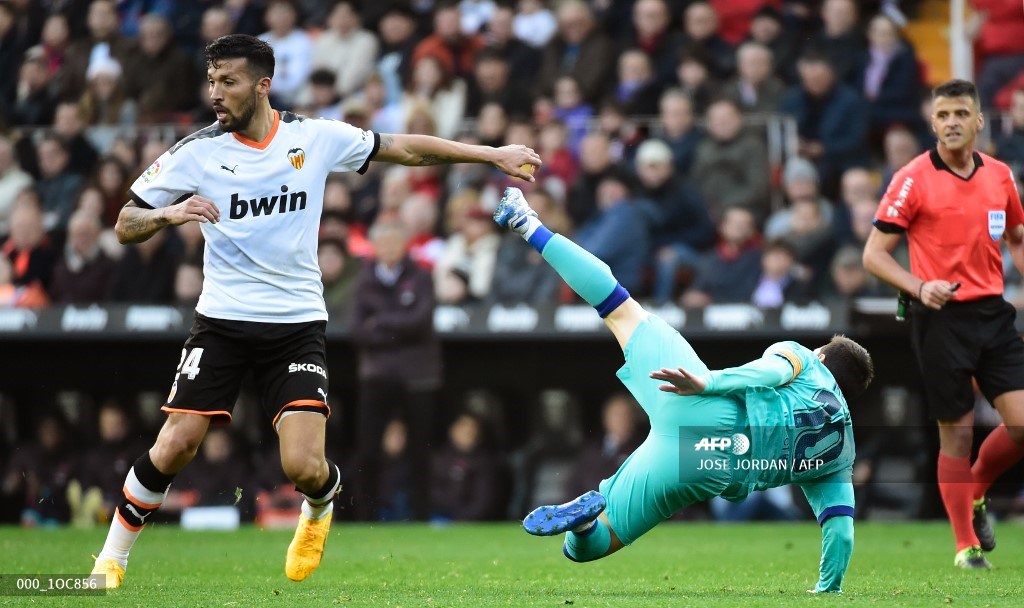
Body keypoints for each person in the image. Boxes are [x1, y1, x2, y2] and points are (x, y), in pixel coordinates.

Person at [89, 33, 539, 588]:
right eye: (211, 81)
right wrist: (171, 214)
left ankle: (320, 505)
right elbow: (125, 222)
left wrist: (490, 154)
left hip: (295, 325)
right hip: (222, 322)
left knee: (302, 467)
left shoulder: (315, 138)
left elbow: (405, 147)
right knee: (177, 442)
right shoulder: (196, 151)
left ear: (262, 85)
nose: (215, 93)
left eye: (227, 81)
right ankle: (110, 559)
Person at [494, 185, 873, 593]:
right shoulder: (841, 454)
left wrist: (707, 381)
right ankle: (585, 524)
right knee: (586, 548)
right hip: (709, 470)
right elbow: (841, 530)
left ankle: (525, 222)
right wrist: (828, 590)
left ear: (824, 354)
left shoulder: (807, 361)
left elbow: (767, 373)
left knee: (618, 308)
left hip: (707, 406)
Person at [863, 79, 1024, 569]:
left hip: (993, 311)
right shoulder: (912, 178)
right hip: (938, 317)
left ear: (979, 121)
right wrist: (918, 286)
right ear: (932, 123)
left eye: (960, 113)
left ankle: (973, 491)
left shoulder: (999, 176)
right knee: (956, 431)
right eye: (942, 115)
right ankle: (965, 547)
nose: (951, 122)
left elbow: (1017, 234)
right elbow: (873, 254)